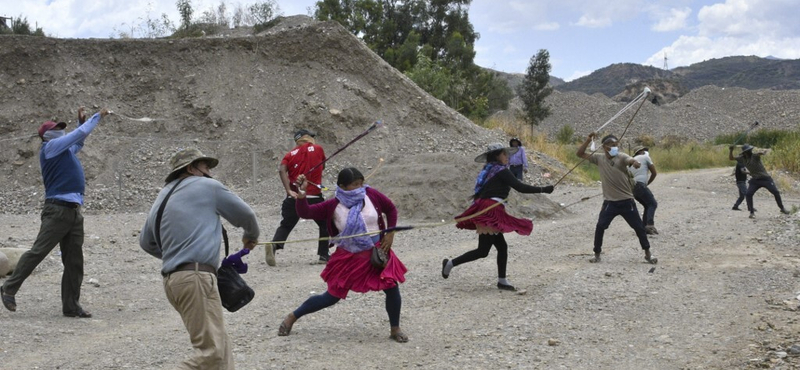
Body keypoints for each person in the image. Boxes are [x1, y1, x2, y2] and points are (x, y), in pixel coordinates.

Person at [139, 148, 260, 370]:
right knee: (212, 354)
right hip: (195, 278)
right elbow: (247, 215)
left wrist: (178, 255)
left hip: (174, 282)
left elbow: (146, 243)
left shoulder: (162, 195)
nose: (209, 173)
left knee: (222, 351)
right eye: (205, 167)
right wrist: (251, 237)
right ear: (191, 168)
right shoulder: (208, 187)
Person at [277, 168, 409, 343]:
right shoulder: (333, 205)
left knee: (391, 287)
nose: (360, 188)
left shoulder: (371, 194)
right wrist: (301, 196)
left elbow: (390, 209)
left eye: (361, 183)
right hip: (349, 257)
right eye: (355, 185)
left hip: (377, 252)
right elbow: (305, 213)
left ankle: (395, 328)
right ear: (342, 187)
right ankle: (292, 317)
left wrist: (390, 232)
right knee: (331, 297)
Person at [2, 107, 109, 317]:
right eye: (56, 129)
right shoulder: (49, 148)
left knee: (74, 261)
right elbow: (77, 136)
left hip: (74, 211)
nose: (60, 131)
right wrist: (98, 117)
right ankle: (9, 287)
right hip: (57, 210)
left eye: (62, 128)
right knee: (38, 251)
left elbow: (77, 141)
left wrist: (81, 122)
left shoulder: (63, 149)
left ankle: (71, 306)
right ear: (46, 136)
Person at [441, 143, 554, 291]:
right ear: (497, 155)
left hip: (487, 207)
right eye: (504, 154)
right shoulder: (501, 171)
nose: (507, 157)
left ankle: (501, 280)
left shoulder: (489, 171)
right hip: (490, 210)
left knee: (498, 247)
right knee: (484, 250)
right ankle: (451, 264)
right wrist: (543, 189)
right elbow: (520, 187)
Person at [576, 133, 657, 264]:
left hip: (627, 201)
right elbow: (580, 154)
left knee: (639, 228)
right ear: (605, 147)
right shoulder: (599, 159)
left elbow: (630, 160)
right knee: (600, 226)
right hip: (610, 203)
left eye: (616, 145)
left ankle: (648, 254)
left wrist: (635, 163)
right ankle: (597, 254)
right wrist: (587, 140)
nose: (616, 148)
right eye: (613, 145)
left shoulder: (621, 156)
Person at [266, 129, 329, 266]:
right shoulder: (318, 149)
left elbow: (282, 169)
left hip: (293, 197)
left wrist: (288, 190)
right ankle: (324, 255)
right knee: (325, 223)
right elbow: (323, 166)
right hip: (313, 196)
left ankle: (275, 245)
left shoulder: (289, 154)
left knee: (286, 224)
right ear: (307, 138)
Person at [728, 144, 791, 218]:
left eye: (750, 150)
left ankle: (782, 208)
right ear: (744, 153)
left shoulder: (754, 156)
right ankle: (751, 213)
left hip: (765, 178)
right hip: (755, 179)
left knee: (776, 192)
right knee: (748, 194)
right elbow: (731, 158)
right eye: (748, 151)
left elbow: (758, 154)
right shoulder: (742, 158)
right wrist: (731, 150)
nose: (749, 152)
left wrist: (762, 152)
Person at [628, 146, 659, 235]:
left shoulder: (631, 161)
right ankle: (650, 225)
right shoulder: (645, 157)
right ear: (641, 152)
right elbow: (654, 173)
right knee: (652, 204)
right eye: (644, 151)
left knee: (647, 205)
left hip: (633, 188)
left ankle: (643, 226)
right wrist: (647, 183)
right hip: (641, 185)